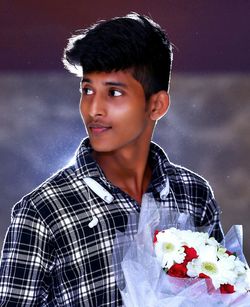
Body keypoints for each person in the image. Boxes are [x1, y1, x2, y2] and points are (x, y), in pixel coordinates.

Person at [0, 12, 224, 306]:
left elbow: (223, 292)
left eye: (114, 92)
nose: (93, 109)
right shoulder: (42, 213)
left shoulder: (193, 193)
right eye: (87, 90)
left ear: (156, 105)